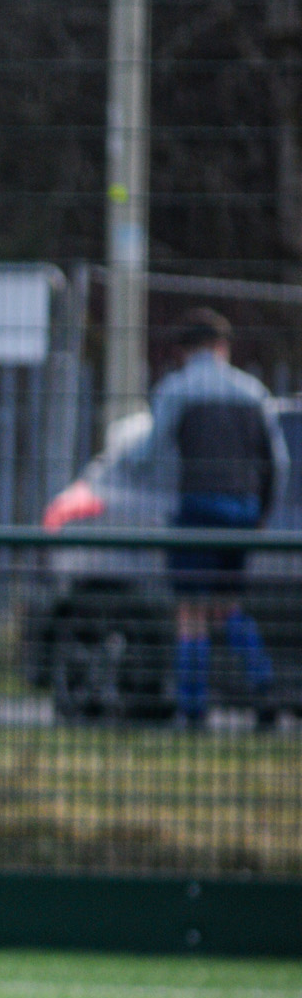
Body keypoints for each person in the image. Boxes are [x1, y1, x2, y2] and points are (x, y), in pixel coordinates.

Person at [145, 307, 288, 730]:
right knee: (228, 607)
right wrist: (261, 513)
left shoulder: (177, 388)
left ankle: (193, 711)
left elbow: (154, 454)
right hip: (243, 513)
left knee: (190, 611)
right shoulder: (253, 392)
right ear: (223, 347)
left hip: (196, 509)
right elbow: (277, 462)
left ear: (186, 351)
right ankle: (265, 693)